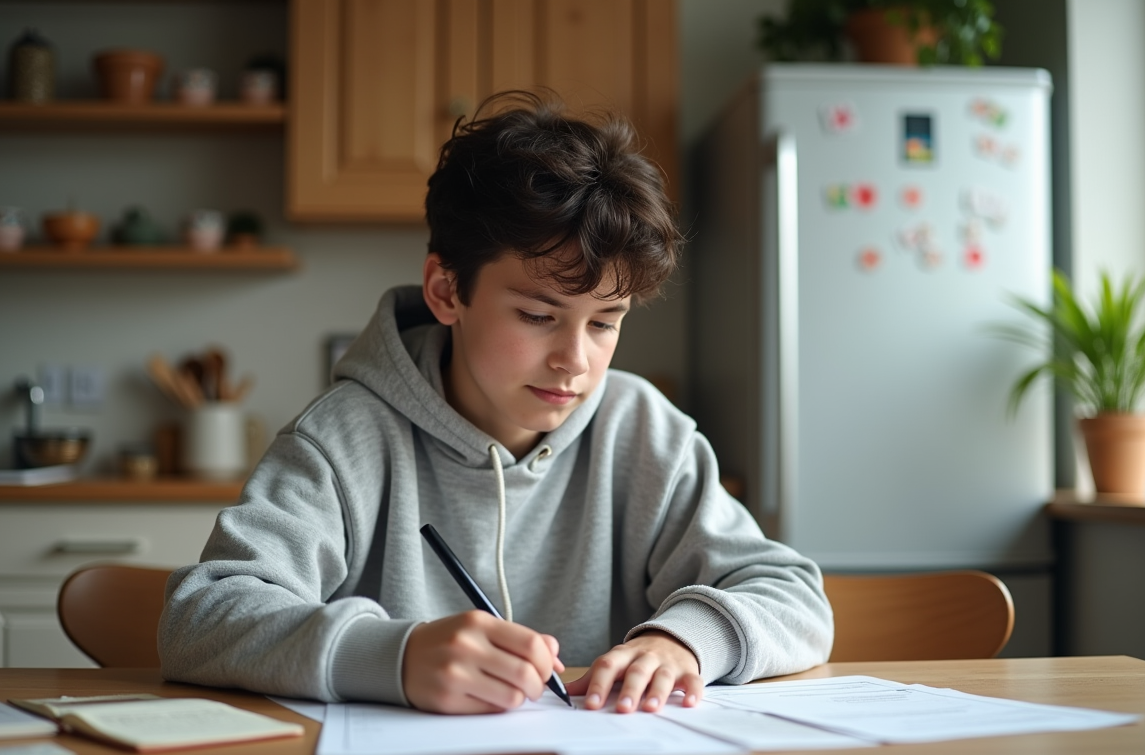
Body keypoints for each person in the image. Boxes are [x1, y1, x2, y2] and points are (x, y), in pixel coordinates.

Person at [159, 92, 833, 715]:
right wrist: (392, 656)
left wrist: (685, 642)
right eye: (539, 316)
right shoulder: (342, 440)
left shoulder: (644, 431)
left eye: (605, 322)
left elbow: (796, 598)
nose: (577, 359)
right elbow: (201, 618)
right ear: (447, 291)